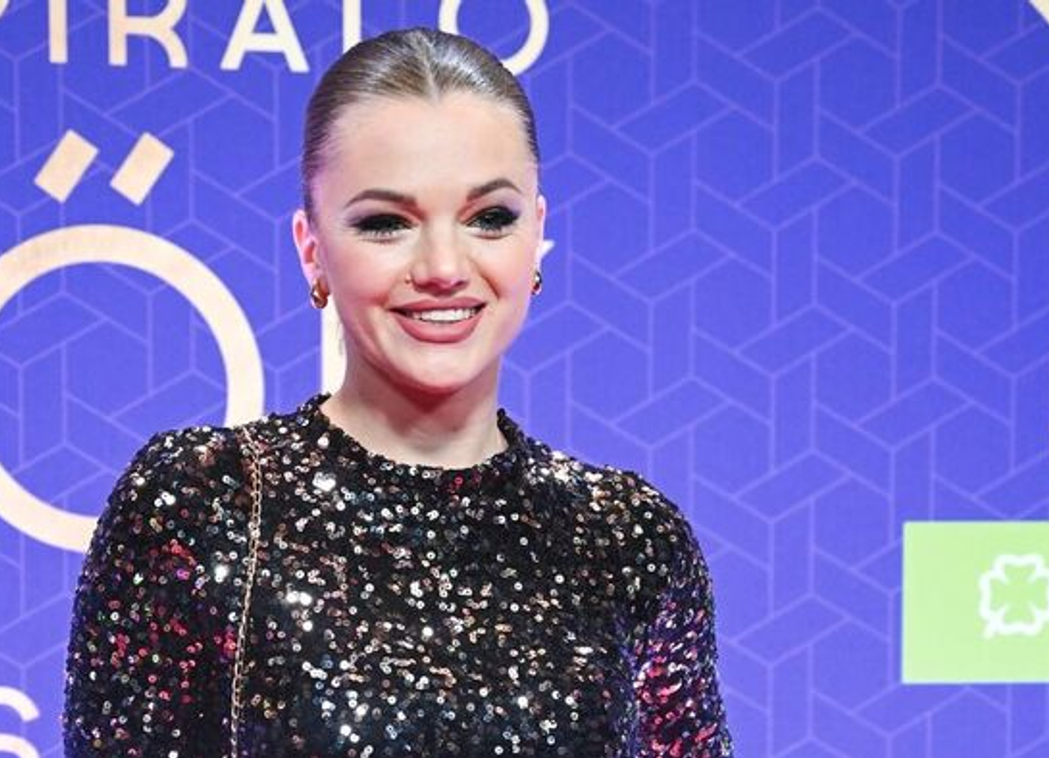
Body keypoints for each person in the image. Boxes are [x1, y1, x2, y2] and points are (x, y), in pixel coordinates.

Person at [62, 27, 732, 757]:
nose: (444, 266)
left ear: (537, 233)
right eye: (386, 224)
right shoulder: (203, 500)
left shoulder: (626, 537)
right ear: (311, 249)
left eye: (489, 218)